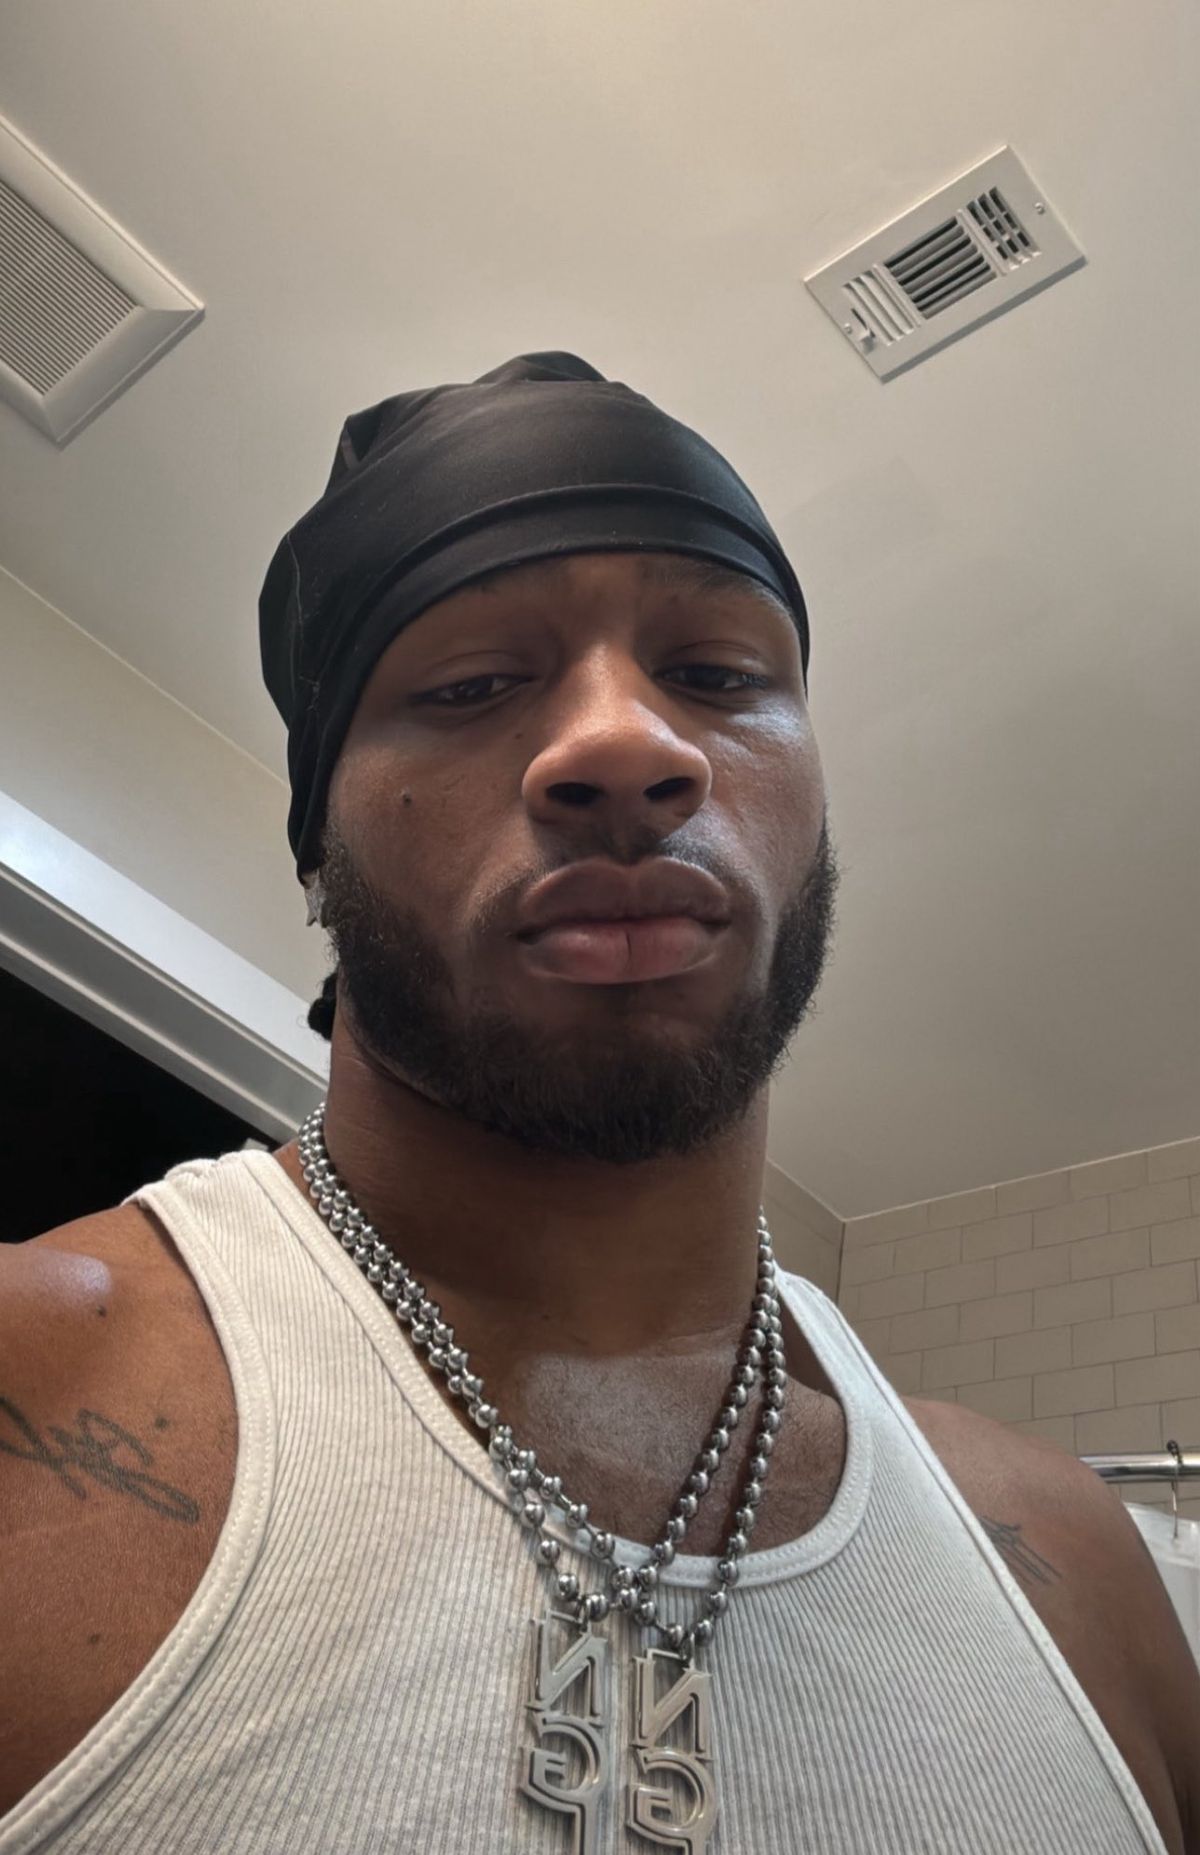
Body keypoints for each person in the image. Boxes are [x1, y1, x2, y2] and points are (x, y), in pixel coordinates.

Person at [0, 353, 1196, 1855]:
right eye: (470, 684)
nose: (631, 744)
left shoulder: (1076, 1563)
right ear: (319, 847)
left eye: (720, 674)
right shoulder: (35, 1383)